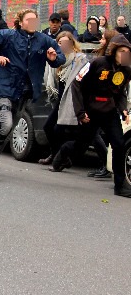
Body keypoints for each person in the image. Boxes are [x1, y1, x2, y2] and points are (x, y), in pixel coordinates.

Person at [0, 9, 65, 176]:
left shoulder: (43, 40)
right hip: (4, 86)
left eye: (35, 20)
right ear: (21, 21)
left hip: (24, 91)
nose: (32, 23)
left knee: (9, 129)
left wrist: (55, 59)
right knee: (6, 124)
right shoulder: (8, 35)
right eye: (29, 19)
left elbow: (60, 57)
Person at [50, 34, 131, 198]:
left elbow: (120, 92)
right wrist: (80, 112)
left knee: (119, 144)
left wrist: (123, 109)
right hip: (91, 111)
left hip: (109, 111)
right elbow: (77, 83)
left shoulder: (126, 70)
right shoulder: (98, 63)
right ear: (114, 51)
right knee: (81, 146)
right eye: (122, 51)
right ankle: (63, 152)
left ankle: (120, 185)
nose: (125, 54)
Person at [38, 31, 88, 165]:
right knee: (50, 128)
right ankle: (57, 155)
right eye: (60, 43)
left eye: (66, 43)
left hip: (73, 100)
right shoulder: (56, 60)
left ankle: (59, 157)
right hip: (60, 100)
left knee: (56, 129)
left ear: (72, 44)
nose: (63, 46)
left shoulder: (79, 59)